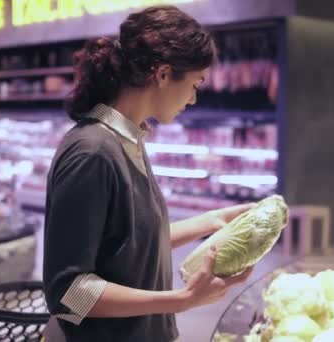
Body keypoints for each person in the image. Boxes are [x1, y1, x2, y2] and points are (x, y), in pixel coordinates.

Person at [43, 6, 254, 341]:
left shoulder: (129, 139)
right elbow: (69, 292)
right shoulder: (93, 151)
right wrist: (180, 300)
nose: (194, 98)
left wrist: (212, 222)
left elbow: (129, 246)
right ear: (164, 74)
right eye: (195, 83)